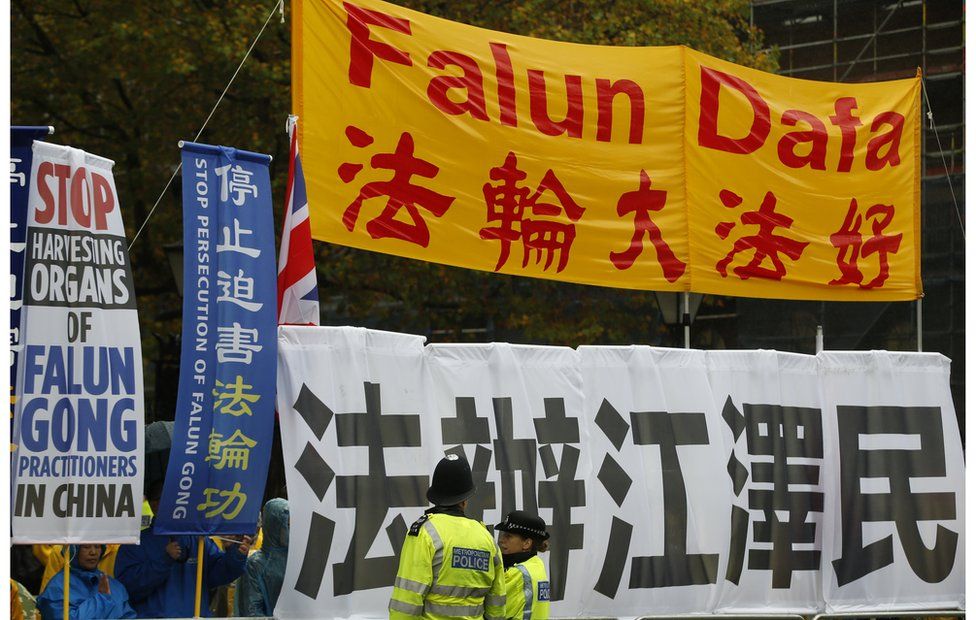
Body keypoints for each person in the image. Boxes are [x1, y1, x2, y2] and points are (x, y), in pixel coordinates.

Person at [389, 454, 506, 619]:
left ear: (436, 496)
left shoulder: (424, 532)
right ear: (465, 499)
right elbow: (497, 602)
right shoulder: (486, 537)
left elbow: (407, 600)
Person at [113, 482, 251, 618]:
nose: (178, 503)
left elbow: (218, 576)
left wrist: (235, 553)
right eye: (170, 498)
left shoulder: (198, 540)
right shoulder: (135, 544)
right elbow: (127, 588)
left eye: (180, 498)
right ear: (154, 504)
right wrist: (164, 560)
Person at [35, 544, 137, 619]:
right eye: (86, 547)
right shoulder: (57, 587)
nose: (93, 552)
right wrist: (102, 599)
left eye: (97, 547)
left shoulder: (114, 585)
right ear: (73, 550)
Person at [495, 511, 551, 619]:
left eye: (508, 536)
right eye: (503, 535)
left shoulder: (517, 573)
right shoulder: (536, 564)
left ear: (526, 543)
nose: (502, 540)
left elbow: (493, 611)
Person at [240, 498, 289, 616]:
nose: (291, 530)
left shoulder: (299, 559)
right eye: (287, 525)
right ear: (274, 525)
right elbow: (252, 609)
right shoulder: (256, 564)